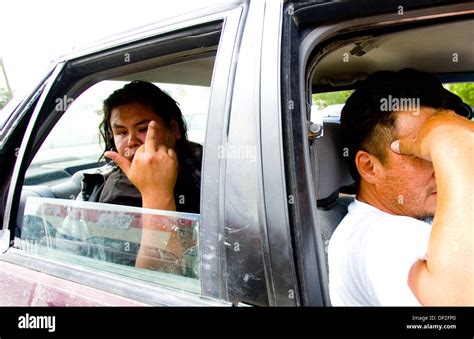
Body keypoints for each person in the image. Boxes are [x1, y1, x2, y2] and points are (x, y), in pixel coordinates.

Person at [328, 69, 473, 306]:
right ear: (369, 167)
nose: (440, 165)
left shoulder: (414, 216)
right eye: (420, 151)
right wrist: (450, 140)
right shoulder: (379, 238)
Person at [73, 81, 201, 273]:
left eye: (142, 129)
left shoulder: (203, 166)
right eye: (121, 132)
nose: (131, 142)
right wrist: (156, 193)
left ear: (173, 129)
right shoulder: (116, 194)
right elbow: (154, 280)